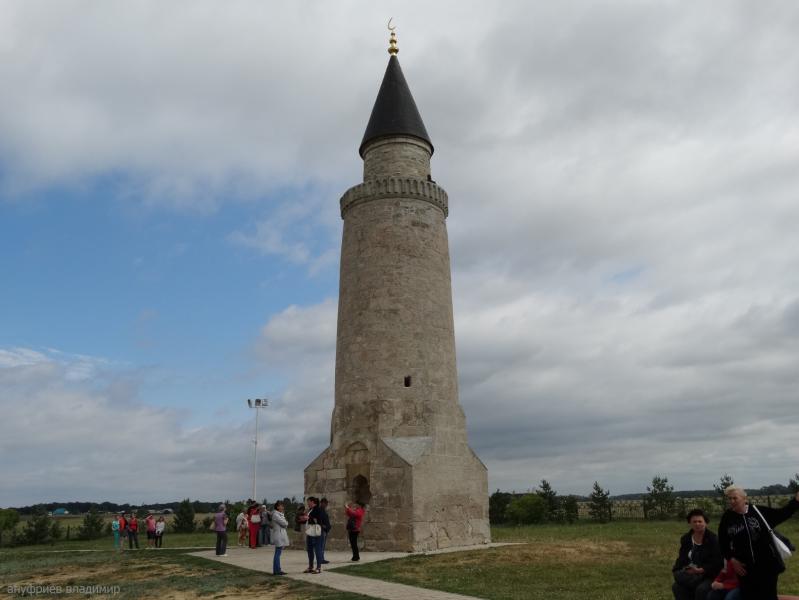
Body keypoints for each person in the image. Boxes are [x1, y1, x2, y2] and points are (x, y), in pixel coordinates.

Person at [718, 485, 799, 600]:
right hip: (745, 569)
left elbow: (782, 514)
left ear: (744, 498)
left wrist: (796, 501)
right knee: (749, 596)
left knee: (769, 596)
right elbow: (723, 542)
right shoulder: (727, 518)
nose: (732, 501)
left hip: (767, 565)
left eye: (735, 498)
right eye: (729, 499)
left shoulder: (759, 512)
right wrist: (732, 559)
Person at [672, 508, 722, 600]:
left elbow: (717, 562)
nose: (697, 524)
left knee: (701, 590)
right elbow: (682, 558)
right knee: (677, 587)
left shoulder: (713, 539)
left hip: (708, 575)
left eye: (700, 521)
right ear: (690, 523)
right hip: (691, 573)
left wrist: (701, 570)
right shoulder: (686, 539)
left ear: (705, 523)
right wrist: (680, 569)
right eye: (694, 522)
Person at [303, 497, 324, 574]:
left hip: (316, 531)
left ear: (313, 502)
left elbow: (318, 519)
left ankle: (318, 567)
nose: (307, 503)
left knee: (317, 549)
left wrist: (308, 518)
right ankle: (311, 567)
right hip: (310, 531)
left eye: (308, 502)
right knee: (310, 549)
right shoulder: (310, 510)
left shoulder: (318, 509)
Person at [270, 501, 290, 575]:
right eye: (281, 506)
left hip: (280, 534)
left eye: (282, 506)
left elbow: (284, 524)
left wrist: (285, 523)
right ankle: (277, 570)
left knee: (278, 553)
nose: (282, 507)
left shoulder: (279, 514)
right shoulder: (276, 514)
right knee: (277, 553)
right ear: (277, 507)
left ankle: (277, 570)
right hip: (278, 535)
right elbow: (284, 523)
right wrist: (286, 523)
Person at [319, 497, 331, 564]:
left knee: (322, 545)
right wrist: (323, 526)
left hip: (325, 530)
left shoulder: (323, 510)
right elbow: (319, 520)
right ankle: (321, 559)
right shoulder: (320, 510)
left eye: (326, 503)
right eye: (325, 503)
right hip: (322, 530)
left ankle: (321, 558)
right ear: (322, 503)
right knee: (321, 545)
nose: (326, 505)